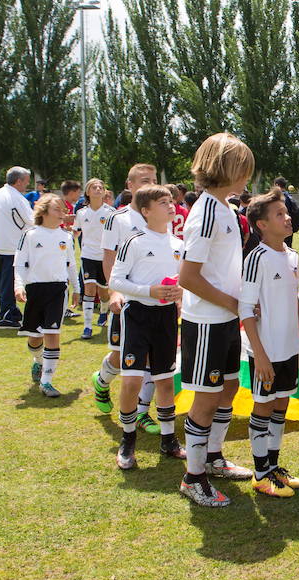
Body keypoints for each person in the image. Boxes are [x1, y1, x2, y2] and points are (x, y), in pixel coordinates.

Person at [178, 132, 255, 507]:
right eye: (242, 169)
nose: (247, 177)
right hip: (207, 320)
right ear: (223, 168)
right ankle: (193, 478)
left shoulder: (225, 207)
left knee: (228, 390)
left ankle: (213, 458)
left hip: (225, 318)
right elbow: (187, 277)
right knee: (206, 399)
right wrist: (233, 304)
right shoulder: (206, 211)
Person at [239, 188, 299, 497]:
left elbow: (293, 297)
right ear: (262, 225)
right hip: (265, 350)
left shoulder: (292, 255)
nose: (287, 218)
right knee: (264, 405)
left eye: (286, 213)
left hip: (288, 347)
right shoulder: (256, 258)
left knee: (281, 403)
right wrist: (261, 355)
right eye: (279, 215)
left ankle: (273, 466)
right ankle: (259, 474)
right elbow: (245, 309)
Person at [109, 184, 186, 469]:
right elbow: (115, 281)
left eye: (171, 201)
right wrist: (148, 291)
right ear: (146, 211)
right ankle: (127, 440)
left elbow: (182, 283)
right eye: (163, 202)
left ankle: (169, 440)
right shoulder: (135, 241)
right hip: (137, 315)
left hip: (166, 318)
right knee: (132, 381)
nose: (170, 206)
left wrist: (179, 293)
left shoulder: (178, 244)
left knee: (165, 380)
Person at [91, 164, 157, 423]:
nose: (150, 185)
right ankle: (102, 379)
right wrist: (115, 291)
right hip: (127, 298)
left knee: (153, 356)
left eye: (153, 180)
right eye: (144, 180)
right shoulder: (118, 219)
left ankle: (142, 412)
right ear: (130, 186)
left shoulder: (159, 216)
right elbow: (109, 258)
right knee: (122, 356)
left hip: (154, 299)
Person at [13, 194, 81, 397]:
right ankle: (39, 361)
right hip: (35, 290)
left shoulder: (66, 237)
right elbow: (19, 264)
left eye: (63, 210)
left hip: (58, 290)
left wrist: (76, 288)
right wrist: (19, 286)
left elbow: (71, 264)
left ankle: (47, 381)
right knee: (35, 338)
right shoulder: (30, 234)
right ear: (43, 212)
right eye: (57, 209)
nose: (63, 213)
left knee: (53, 334)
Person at [0, 166, 34, 328]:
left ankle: (11, 311)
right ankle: (7, 315)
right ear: (19, 181)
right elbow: (31, 220)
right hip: (12, 246)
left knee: (3, 281)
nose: (27, 185)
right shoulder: (17, 198)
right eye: (26, 181)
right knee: (10, 283)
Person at [73, 178, 115, 338]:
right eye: (94, 187)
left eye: (101, 187)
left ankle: (104, 312)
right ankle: (87, 326)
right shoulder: (82, 213)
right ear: (88, 192)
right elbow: (76, 231)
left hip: (105, 257)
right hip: (88, 256)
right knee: (89, 289)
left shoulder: (111, 212)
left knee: (104, 293)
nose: (98, 189)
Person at [274, 177, 299, 248]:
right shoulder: (290, 196)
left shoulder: (281, 197)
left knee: (281, 249)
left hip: (282, 228)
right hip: (290, 226)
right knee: (288, 249)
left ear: (277, 185)